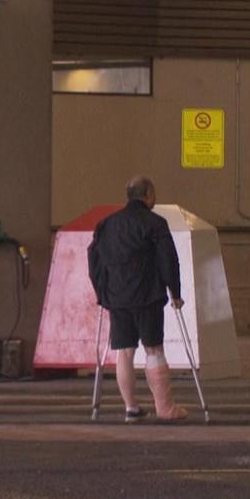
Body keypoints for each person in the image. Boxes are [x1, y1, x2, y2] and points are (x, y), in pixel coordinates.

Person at [87, 176, 188, 422]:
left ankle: (131, 408)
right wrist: (175, 292)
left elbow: (94, 259)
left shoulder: (107, 225)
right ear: (149, 194)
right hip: (147, 295)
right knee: (153, 349)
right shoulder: (155, 223)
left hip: (117, 298)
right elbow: (168, 260)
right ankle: (165, 408)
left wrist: (102, 293)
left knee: (124, 352)